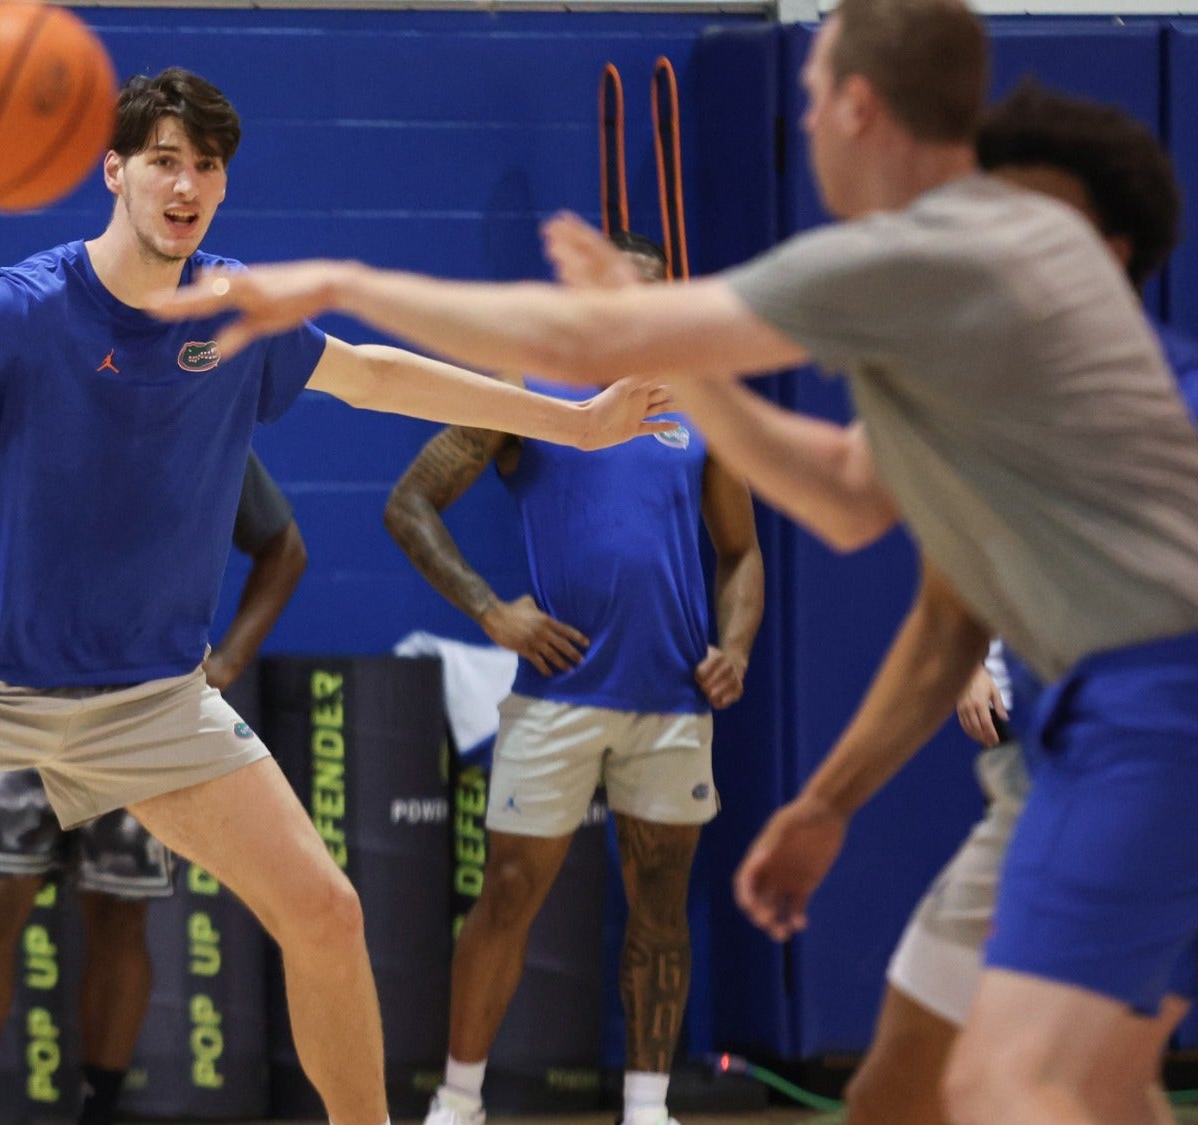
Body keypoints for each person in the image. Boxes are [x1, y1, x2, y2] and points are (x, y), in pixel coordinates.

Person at [160, 2, 1198, 1120]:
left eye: (809, 101)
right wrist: (828, 803)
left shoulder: (937, 254)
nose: (801, 121)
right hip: (1055, 739)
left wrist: (334, 288)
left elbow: (562, 343)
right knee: (904, 1084)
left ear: (856, 106)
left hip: (1150, 716)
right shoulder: (945, 296)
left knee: (1024, 1081)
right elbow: (850, 500)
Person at [0, 67, 672, 1125]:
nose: (185, 184)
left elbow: (377, 375)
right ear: (113, 171)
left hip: (146, 697)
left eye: (205, 167)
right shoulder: (17, 309)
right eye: (163, 160)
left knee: (326, 912)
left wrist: (571, 423)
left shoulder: (240, 312)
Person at [843, 82, 1198, 1125]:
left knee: (1014, 1084)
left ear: (1112, 250)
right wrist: (823, 805)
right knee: (943, 1089)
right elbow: (949, 609)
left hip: (1135, 780)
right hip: (1054, 775)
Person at [388, 234, 763, 1125]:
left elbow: (742, 553)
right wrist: (489, 608)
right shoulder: (525, 389)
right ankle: (459, 1100)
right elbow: (409, 502)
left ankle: (646, 1107)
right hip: (557, 694)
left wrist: (738, 645)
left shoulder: (700, 407)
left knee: (662, 903)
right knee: (509, 894)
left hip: (673, 697)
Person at [0, 444, 307, 1125]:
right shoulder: (3, 393)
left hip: (138, 703)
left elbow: (284, 547)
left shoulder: (190, 404)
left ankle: (99, 1108)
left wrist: (230, 659)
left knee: (120, 909)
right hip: (14, 695)